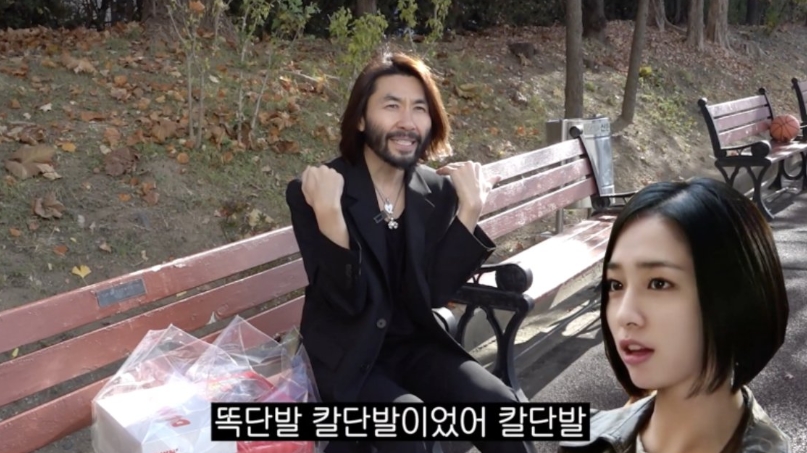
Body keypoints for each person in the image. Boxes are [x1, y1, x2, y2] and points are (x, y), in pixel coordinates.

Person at [285, 51, 532, 453]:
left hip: (416, 347)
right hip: (348, 357)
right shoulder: (317, 192)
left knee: (499, 405)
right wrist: (331, 218)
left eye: (419, 108)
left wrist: (470, 210)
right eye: (391, 106)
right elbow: (345, 303)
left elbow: (433, 293)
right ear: (361, 119)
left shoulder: (435, 190)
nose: (407, 121)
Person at [558, 177, 792, 453]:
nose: (624, 315)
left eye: (659, 283)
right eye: (616, 285)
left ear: (738, 297)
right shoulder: (588, 432)